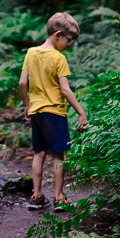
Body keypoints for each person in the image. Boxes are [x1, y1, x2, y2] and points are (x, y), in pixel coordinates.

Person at [18, 12, 88, 212]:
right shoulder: (58, 58)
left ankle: (37, 196)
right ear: (58, 35)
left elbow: (23, 82)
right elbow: (65, 90)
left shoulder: (31, 53)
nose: (70, 45)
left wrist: (26, 105)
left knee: (39, 154)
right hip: (55, 113)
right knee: (58, 156)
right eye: (69, 40)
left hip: (37, 112)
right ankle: (59, 198)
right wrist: (81, 112)